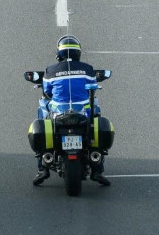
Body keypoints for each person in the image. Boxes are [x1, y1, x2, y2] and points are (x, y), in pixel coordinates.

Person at [34, 35, 111, 187]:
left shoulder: (50, 71)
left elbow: (47, 91)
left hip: (58, 112)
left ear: (59, 53)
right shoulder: (87, 69)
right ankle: (97, 168)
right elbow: (93, 84)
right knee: (96, 110)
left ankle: (42, 166)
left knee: (42, 110)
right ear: (78, 53)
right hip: (82, 111)